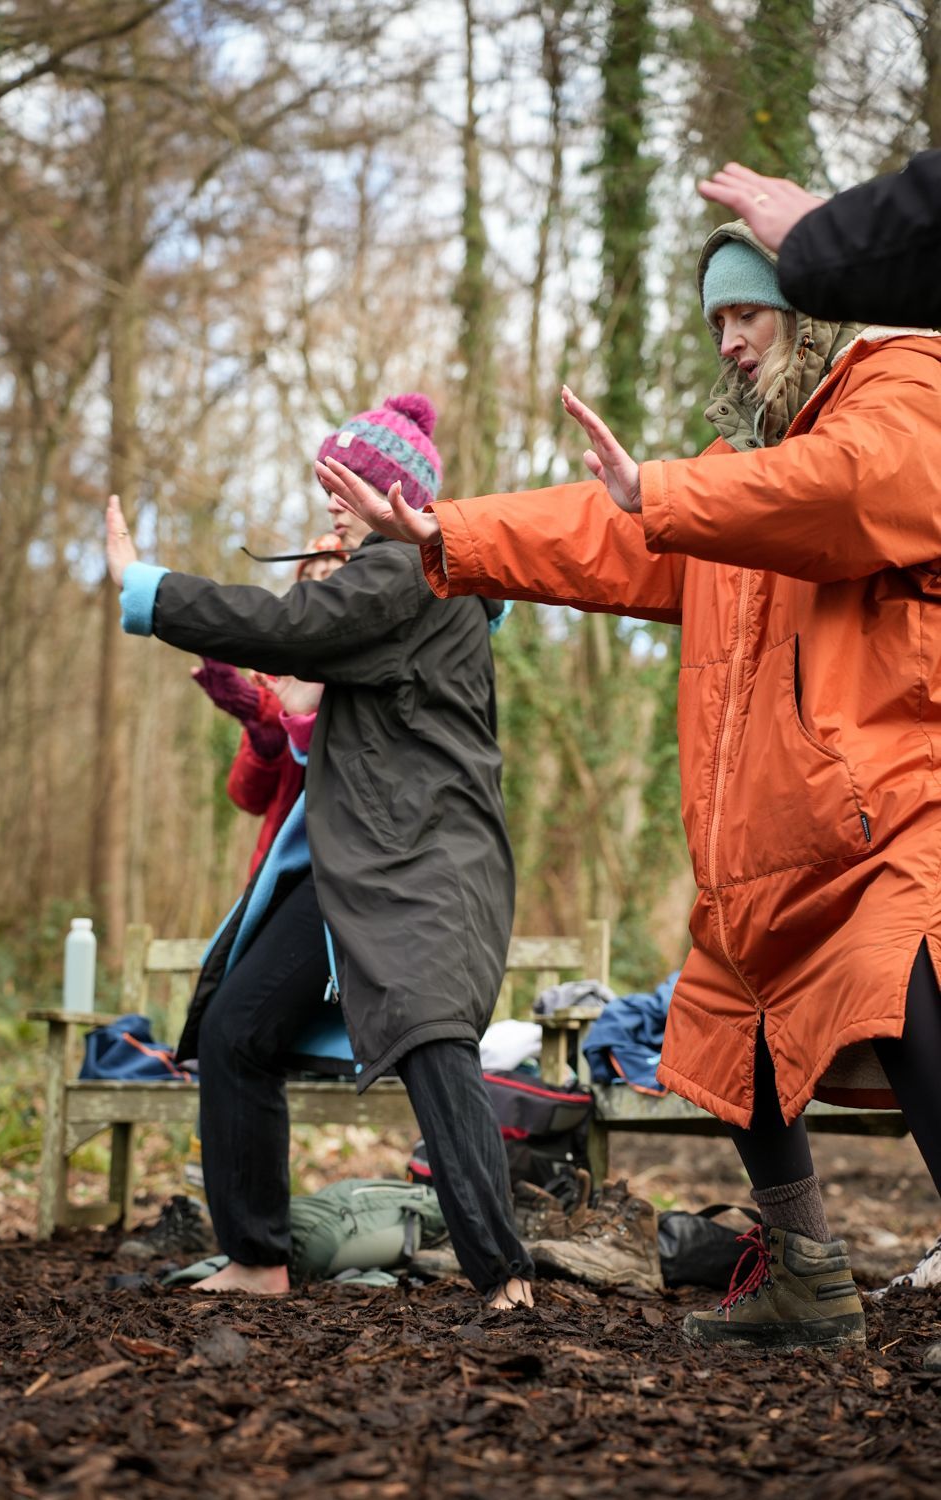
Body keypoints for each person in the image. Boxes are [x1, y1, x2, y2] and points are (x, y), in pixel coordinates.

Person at [317, 227, 941, 1354]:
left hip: (892, 814)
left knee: (896, 980)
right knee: (729, 1016)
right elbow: (605, 532)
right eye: (714, 323)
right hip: (769, 840)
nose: (730, 339)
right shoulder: (735, 473)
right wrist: (444, 533)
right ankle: (806, 1274)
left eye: (748, 313)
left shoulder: (900, 388)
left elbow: (850, 490)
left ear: (813, 311)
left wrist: (665, 488)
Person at [104, 393, 534, 1310]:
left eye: (345, 482)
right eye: (325, 483)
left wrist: (149, 588)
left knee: (433, 1046)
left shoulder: (412, 576)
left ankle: (505, 1277)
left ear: (394, 494)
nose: (330, 500)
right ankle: (258, 1258)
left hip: (424, 863)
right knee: (238, 1030)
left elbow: (285, 631)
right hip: (355, 866)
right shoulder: (389, 577)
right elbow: (293, 688)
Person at [192, 535, 346, 878]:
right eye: (312, 575)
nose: (322, 583)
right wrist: (263, 738)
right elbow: (247, 797)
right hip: (285, 868)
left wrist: (257, 705)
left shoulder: (366, 659)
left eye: (333, 572)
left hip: (348, 863)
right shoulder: (278, 671)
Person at [698, 153, 941, 327]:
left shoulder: (885, 385)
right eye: (720, 324)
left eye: (748, 315)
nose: (727, 347)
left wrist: (826, 236)